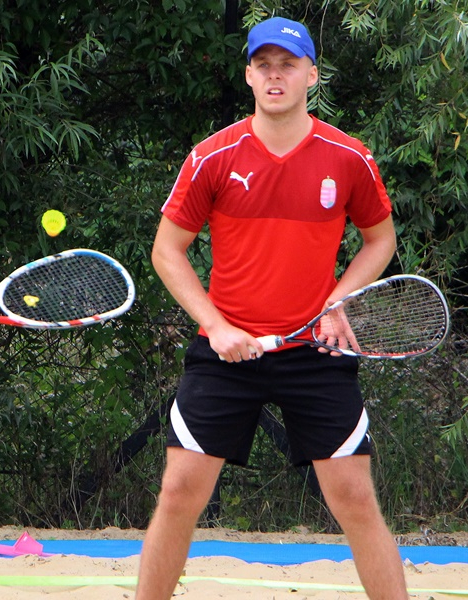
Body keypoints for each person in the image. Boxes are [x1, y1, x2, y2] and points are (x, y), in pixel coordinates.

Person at [137, 17, 408, 600]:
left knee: (355, 498)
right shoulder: (212, 156)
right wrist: (216, 327)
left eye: (288, 64)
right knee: (179, 490)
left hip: (316, 349)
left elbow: (380, 239)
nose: (275, 75)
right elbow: (167, 251)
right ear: (248, 76)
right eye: (264, 65)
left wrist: (339, 301)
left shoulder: (348, 157)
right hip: (226, 352)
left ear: (311, 74)